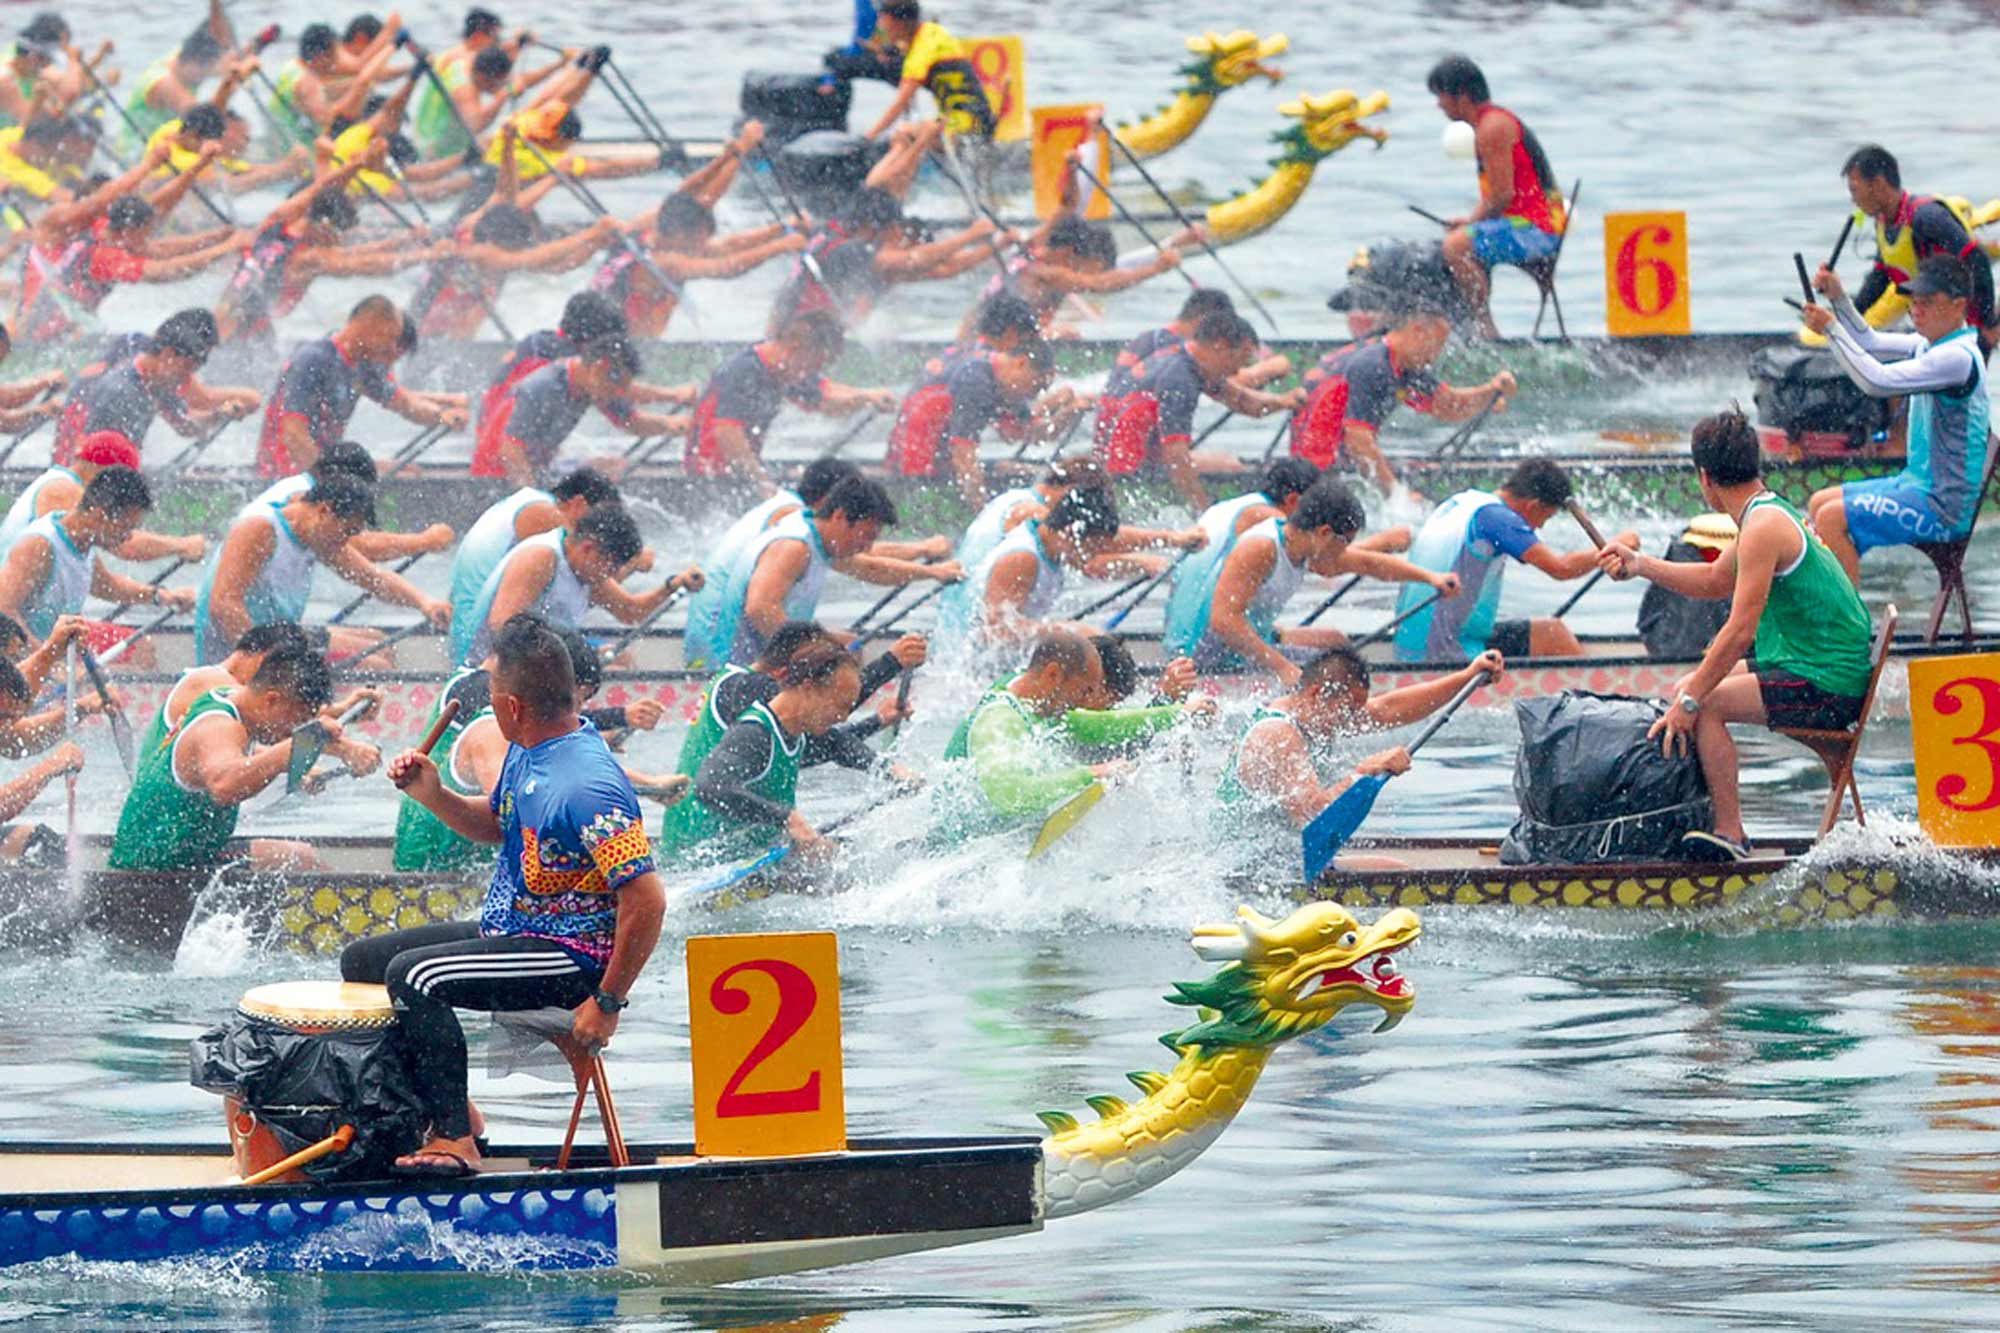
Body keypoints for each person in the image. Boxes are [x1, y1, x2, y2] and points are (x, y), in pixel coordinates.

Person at [344, 616, 667, 1176]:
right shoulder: (527, 748)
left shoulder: (585, 784)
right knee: (364, 963)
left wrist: (607, 1003)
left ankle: (455, 1141)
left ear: (514, 705)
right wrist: (433, 793)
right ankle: (445, 1112)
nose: (486, 702)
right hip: (517, 931)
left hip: (574, 956)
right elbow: (497, 824)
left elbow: (647, 900)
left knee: (414, 977)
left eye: (491, 693)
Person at [1596, 408, 1877, 862]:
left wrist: (1690, 703)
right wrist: (1640, 564)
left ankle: (1730, 834)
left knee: (1703, 702)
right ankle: (1707, 823)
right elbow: (1712, 581)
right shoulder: (1765, 513)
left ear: (1704, 477)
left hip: (1828, 682)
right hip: (1815, 664)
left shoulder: (1762, 528)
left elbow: (1741, 627)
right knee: (1695, 684)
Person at [396, 619, 673, 872]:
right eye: (579, 699)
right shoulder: (493, 727)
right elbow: (510, 817)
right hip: (437, 869)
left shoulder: (519, 724)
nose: (577, 711)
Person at [1801, 255, 1991, 583]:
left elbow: (1877, 381)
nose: (1917, 311)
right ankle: (1831, 613)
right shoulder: (1929, 345)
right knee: (1819, 502)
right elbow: (1869, 342)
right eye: (1914, 303)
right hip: (1915, 483)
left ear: (1959, 306)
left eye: (1928, 303)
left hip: (1942, 509)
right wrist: (1838, 298)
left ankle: (1848, 630)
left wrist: (1830, 329)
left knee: (1831, 518)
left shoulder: (1956, 358)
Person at [1215, 645, 1505, 858]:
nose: (1352, 719)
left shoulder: (1312, 714)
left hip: (1280, 853)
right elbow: (1314, 814)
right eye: (1350, 710)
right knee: (1395, 870)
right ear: (1317, 693)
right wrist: (1366, 771)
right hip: (1247, 864)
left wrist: (1468, 676)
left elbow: (1391, 708)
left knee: (1392, 866)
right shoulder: (1277, 734)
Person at [665, 620, 925, 845]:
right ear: (801, 671)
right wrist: (889, 663)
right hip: (699, 838)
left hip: (734, 835)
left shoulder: (780, 713)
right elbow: (712, 786)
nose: (842, 714)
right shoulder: (745, 689)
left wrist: (876, 723)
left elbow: (822, 741)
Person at [1170, 481, 1456, 683]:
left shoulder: (1303, 545)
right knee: (1336, 669)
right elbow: (1223, 621)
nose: (1345, 551)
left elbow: (1368, 563)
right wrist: (1282, 667)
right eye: (1345, 542)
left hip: (1252, 639)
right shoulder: (1261, 548)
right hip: (1209, 653)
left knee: (1337, 643)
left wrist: (1431, 578)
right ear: (1324, 532)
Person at [931, 629, 1193, 841]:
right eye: (1085, 690)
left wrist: (1173, 709)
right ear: (1053, 674)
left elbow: (1099, 727)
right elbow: (1010, 795)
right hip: (960, 856)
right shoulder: (999, 719)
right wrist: (1091, 773)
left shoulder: (1037, 708)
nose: (1085, 700)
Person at [107, 645, 349, 871]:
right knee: (301, 861)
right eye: (296, 720)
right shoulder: (219, 726)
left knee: (300, 857)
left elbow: (255, 758)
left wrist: (321, 741)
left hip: (191, 857)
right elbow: (224, 785)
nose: (292, 730)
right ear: (272, 699)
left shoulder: (231, 696)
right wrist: (298, 747)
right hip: (150, 876)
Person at [690, 476, 958, 668]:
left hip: (758, 657)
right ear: (840, 516)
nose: (866, 546)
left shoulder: (816, 537)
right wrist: (820, 643)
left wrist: (932, 573)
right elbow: (760, 609)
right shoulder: (793, 546)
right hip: (729, 666)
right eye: (865, 536)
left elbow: (872, 568)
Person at [192, 473, 451, 664]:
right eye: (347, 531)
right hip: (238, 654)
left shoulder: (318, 535)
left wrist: (424, 602)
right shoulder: (260, 529)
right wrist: (268, 664)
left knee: (380, 644)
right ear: (324, 511)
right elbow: (224, 606)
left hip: (285, 639)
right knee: (375, 665)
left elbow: (374, 578)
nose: (347, 541)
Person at [1395, 458, 1634, 663]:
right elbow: (1561, 569)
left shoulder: (1465, 501)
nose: (1540, 526)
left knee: (1552, 633)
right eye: (1546, 517)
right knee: (1555, 638)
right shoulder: (1498, 519)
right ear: (1534, 505)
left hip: (1409, 644)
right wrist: (1616, 546)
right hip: (1445, 652)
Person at [665, 638, 875, 865]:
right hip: (698, 863)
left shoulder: (797, 731)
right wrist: (788, 819)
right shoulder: (754, 733)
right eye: (840, 704)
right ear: (808, 688)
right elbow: (709, 786)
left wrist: (888, 768)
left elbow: (838, 745)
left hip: (753, 857)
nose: (843, 716)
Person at [214, 157, 448, 343]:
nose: (337, 243)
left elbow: (318, 191)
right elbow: (366, 264)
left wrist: (405, 238)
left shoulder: (274, 226)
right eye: (337, 237)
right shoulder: (307, 257)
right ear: (324, 227)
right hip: (243, 337)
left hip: (221, 319)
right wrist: (429, 255)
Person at [1093, 310, 1304, 509]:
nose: (1238, 370)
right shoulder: (1179, 379)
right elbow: (1176, 457)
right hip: (1127, 474)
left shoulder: (1185, 359)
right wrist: (1204, 511)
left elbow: (1241, 400)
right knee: (1231, 466)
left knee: (1223, 460)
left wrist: (1284, 401)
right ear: (1220, 346)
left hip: (1116, 459)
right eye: (1240, 359)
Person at [1292, 307, 1519, 488]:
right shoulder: (1373, 365)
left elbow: (1448, 405)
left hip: (1342, 460)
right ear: (1418, 331)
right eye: (1437, 345)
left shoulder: (1402, 364)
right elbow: (1358, 440)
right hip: (1316, 467)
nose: (1436, 355)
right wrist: (1396, 494)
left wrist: (1490, 392)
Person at [1427, 55, 1566, 339]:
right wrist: (1470, 222)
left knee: (1455, 247)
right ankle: (1472, 329)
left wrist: (1467, 226)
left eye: (1441, 96)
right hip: (1522, 224)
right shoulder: (1488, 124)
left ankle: (1484, 332)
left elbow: (1501, 196)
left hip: (1537, 229)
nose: (1438, 104)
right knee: (1462, 239)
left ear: (1461, 96)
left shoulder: (1492, 128)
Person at [461, 501, 699, 664]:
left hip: (535, 662)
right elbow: (502, 625)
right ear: (588, 548)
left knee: (619, 661)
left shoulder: (585, 567)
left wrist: (673, 585)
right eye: (611, 567)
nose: (611, 576)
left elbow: (630, 612)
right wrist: (584, 654)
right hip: (489, 668)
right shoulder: (541, 558)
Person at [686, 309, 897, 491]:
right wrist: (763, 485)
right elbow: (727, 433)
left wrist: (867, 397)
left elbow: (826, 398)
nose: (814, 372)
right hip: (708, 478)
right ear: (796, 346)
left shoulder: (785, 370)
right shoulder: (743, 370)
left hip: (740, 474)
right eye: (817, 363)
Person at [257, 296, 468, 476]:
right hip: (283, 475)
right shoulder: (313, 359)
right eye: (392, 338)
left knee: (403, 472)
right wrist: (331, 482)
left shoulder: (363, 368)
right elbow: (294, 436)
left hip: (321, 469)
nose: (393, 348)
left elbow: (405, 404)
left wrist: (442, 416)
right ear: (370, 326)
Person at [936, 485, 1163, 649]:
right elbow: (995, 630)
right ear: (1071, 532)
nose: (1093, 555)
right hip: (969, 667)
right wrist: (1071, 632)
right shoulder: (1022, 557)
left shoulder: (1049, 542)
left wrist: (1141, 563)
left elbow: (1096, 568)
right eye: (1093, 547)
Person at [888, 336, 1088, 508]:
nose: (1036, 393)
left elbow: (1025, 434)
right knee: (997, 472)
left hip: (940, 453)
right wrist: (983, 513)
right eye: (1037, 386)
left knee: (1015, 469)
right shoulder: (975, 380)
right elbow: (964, 457)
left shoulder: (1003, 381)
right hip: (917, 461)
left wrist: (1068, 413)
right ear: (1021, 363)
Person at [0, 465, 193, 639]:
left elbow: (107, 586)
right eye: (125, 528)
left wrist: (160, 597)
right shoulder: (39, 545)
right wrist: (47, 661)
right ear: (100, 515)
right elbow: (4, 611)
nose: (127, 538)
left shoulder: (82, 545)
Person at [471, 334, 691, 485]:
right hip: (494, 476)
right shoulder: (543, 387)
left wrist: (672, 425)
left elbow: (632, 421)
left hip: (535, 468)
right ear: (599, 368)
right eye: (618, 387)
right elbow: (510, 451)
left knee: (605, 468)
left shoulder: (592, 384)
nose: (619, 395)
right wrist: (533, 502)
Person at [1837, 145, 1997, 352]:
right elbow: (1879, 278)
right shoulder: (1884, 222)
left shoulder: (1927, 217)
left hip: (1965, 325)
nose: (1853, 200)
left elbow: (1978, 261)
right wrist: (1847, 316)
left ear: (1877, 184)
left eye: (1854, 189)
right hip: (1933, 321)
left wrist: (1987, 324)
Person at [448, 467, 622, 658]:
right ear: (579, 503)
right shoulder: (543, 515)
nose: (600, 527)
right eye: (599, 519)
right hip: (479, 644)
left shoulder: (530, 499)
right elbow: (614, 598)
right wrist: (631, 561)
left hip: (468, 627)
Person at [52, 308, 259, 462]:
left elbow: (185, 424)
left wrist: (219, 415)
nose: (187, 379)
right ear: (169, 353)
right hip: (81, 430)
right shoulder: (123, 386)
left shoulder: (158, 378)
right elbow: (84, 456)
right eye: (188, 369)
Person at [1, 429, 204, 565]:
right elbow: (124, 545)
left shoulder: (62, 483)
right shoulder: (64, 490)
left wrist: (156, 596)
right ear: (105, 471)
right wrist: (180, 545)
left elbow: (101, 581)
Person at [860, 0, 994, 142]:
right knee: (911, 129)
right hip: (981, 119)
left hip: (965, 128)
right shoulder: (931, 31)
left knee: (903, 133)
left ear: (898, 24)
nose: (878, 27)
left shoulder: (919, 55)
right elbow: (908, 48)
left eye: (882, 21)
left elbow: (899, 104)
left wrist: (868, 138)